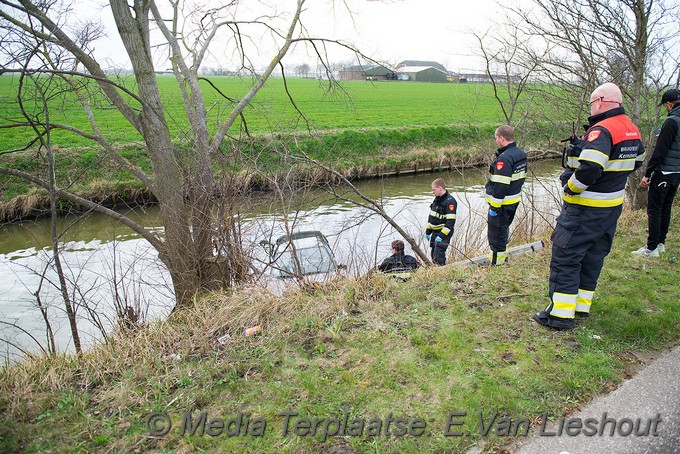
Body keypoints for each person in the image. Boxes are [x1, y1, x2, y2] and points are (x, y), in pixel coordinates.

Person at [534, 82, 645, 331]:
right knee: (593, 256)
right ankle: (581, 307)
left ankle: (559, 316)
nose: (591, 108)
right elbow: (637, 161)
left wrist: (571, 188)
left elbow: (591, 167)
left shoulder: (602, 130)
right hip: (611, 207)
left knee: (566, 256)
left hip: (585, 208)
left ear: (602, 101)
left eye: (592, 103)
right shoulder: (631, 129)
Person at [632, 88, 680, 257]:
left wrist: (648, 174)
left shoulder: (671, 122)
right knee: (666, 208)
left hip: (663, 172)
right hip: (676, 173)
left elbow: (660, 151)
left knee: (654, 209)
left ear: (669, 104)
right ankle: (660, 243)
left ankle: (651, 248)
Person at [485, 125, 527, 265]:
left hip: (501, 205)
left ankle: (497, 264)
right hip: (513, 201)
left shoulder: (504, 159)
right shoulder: (520, 154)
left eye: (496, 138)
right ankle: (503, 259)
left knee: (496, 236)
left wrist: (494, 208)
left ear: (502, 138)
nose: (496, 141)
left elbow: (500, 186)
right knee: (503, 232)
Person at [425, 178, 457, 266]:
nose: (433, 192)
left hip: (444, 232)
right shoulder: (437, 199)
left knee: (438, 255)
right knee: (433, 254)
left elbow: (450, 222)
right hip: (435, 232)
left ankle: (442, 270)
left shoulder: (450, 202)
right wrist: (428, 231)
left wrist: (441, 235)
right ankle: (436, 270)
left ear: (440, 188)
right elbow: (431, 216)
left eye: (434, 189)